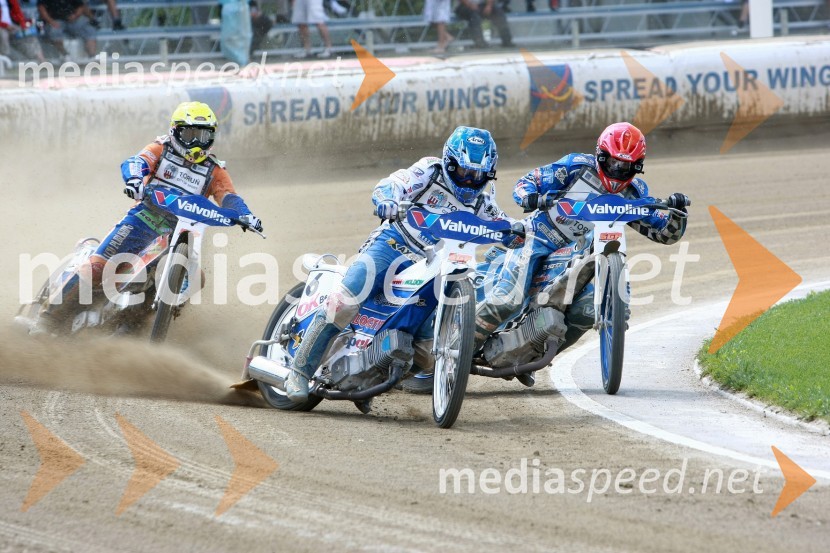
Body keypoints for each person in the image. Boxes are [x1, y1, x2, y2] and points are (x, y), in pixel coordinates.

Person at [284, 126, 521, 403]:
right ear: (449, 162)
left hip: (437, 263)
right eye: (464, 173)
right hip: (395, 244)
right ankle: (299, 371)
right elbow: (394, 183)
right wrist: (386, 198)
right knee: (345, 302)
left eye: (478, 175)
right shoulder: (429, 171)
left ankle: (376, 372)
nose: (470, 182)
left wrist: (519, 233)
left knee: (428, 345)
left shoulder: (483, 197)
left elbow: (500, 223)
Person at [472, 122, 691, 387]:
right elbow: (526, 183)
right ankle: (461, 352)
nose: (619, 171)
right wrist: (531, 198)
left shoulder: (635, 192)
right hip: (539, 239)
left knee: (587, 311)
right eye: (613, 163)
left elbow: (666, 234)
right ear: (600, 156)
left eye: (627, 166)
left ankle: (530, 354)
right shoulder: (575, 166)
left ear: (638, 165)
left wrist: (678, 214)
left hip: (585, 252)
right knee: (508, 298)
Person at [33, 101, 263, 335]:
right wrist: (134, 179)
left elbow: (229, 197)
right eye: (190, 134)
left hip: (181, 233)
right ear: (176, 132)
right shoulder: (160, 149)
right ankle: (48, 320)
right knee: (99, 267)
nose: (196, 142)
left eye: (203, 136)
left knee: (196, 278)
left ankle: (134, 324)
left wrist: (245, 215)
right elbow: (137, 162)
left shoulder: (215, 170)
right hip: (143, 219)